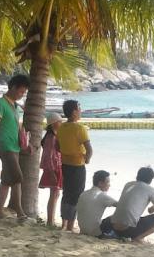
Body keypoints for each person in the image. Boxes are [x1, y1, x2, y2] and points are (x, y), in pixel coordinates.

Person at [0, 74, 28, 219]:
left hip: (15, 146)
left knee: (6, 179)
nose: (21, 95)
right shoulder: (0, 104)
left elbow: (18, 128)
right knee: (18, 177)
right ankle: (19, 210)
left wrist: (24, 145)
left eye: (23, 93)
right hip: (5, 146)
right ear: (13, 87)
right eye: (20, 92)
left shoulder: (15, 106)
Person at [101, 166, 154, 242]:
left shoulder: (128, 185)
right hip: (128, 231)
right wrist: (153, 208)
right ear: (150, 180)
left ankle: (113, 234)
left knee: (119, 216)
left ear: (137, 176)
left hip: (112, 226)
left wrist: (152, 209)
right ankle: (137, 238)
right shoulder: (150, 190)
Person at [56, 99, 93, 231]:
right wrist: (87, 160)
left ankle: (64, 223)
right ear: (73, 112)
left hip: (65, 164)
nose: (80, 111)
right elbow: (89, 149)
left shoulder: (61, 128)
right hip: (77, 166)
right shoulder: (79, 128)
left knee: (67, 193)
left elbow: (57, 146)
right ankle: (70, 226)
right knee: (76, 195)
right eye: (79, 109)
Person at [76, 170, 119, 238]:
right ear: (100, 183)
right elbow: (121, 206)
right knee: (115, 217)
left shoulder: (84, 193)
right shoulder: (102, 196)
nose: (109, 185)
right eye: (107, 182)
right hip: (95, 233)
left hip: (83, 229)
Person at [39, 112, 64, 226]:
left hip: (56, 167)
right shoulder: (51, 137)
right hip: (53, 169)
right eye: (60, 121)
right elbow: (48, 156)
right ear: (54, 123)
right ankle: (50, 221)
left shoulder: (53, 136)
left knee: (56, 194)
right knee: (54, 194)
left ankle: (51, 220)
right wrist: (52, 172)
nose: (61, 123)